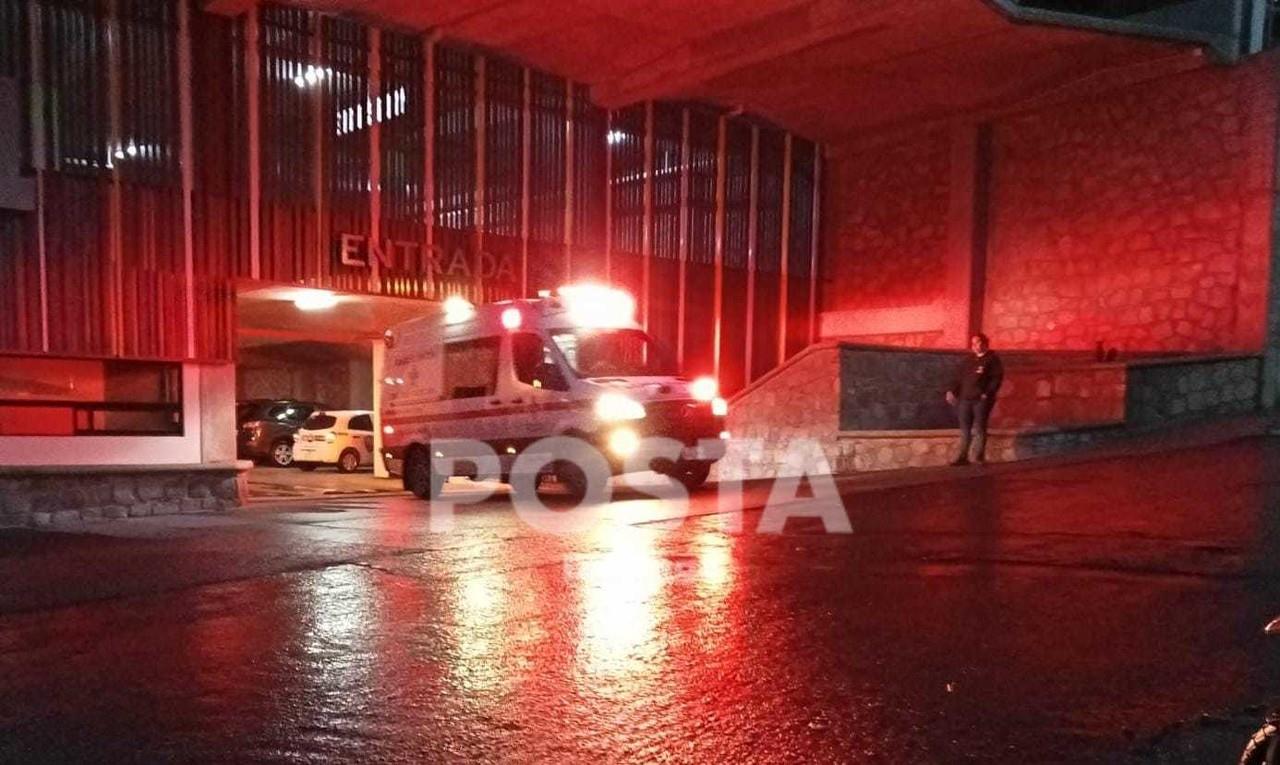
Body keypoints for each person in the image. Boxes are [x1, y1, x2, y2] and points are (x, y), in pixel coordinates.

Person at [945, 333, 1003, 466]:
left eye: (978, 343)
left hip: (980, 400)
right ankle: (962, 457)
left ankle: (977, 457)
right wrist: (951, 391)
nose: (975, 346)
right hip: (965, 399)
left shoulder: (992, 360)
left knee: (979, 428)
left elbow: (996, 379)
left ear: (984, 343)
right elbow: (959, 378)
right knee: (965, 429)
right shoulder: (968, 361)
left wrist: (987, 393)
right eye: (973, 343)